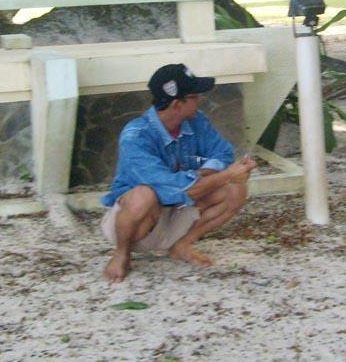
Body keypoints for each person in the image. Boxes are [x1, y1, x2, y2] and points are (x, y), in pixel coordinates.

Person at [100, 63, 256, 283]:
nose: (201, 99)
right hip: (138, 223)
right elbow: (170, 187)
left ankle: (182, 245)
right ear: (176, 103)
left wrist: (207, 174)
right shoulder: (135, 136)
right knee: (144, 195)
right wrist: (225, 175)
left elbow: (222, 153)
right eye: (195, 96)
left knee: (235, 189)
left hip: (177, 209)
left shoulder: (196, 120)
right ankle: (121, 253)